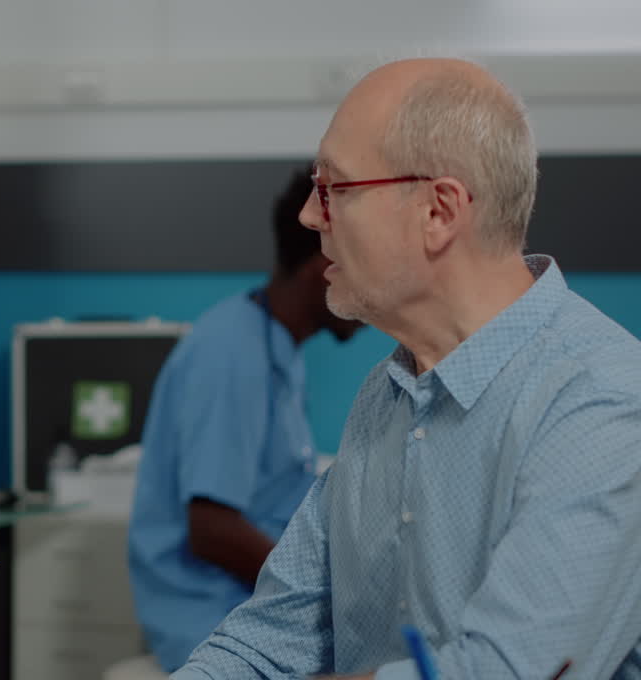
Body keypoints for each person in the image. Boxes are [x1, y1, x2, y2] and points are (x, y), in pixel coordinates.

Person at [173, 58, 641, 679]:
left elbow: (503, 671)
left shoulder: (602, 401)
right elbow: (266, 643)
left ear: (439, 211)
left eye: (334, 188)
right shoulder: (385, 397)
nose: (311, 216)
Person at [128, 169, 363, 672]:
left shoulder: (277, 346)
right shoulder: (230, 353)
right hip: (210, 619)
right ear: (324, 263)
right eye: (364, 261)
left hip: (250, 604)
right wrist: (319, 597)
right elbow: (211, 528)